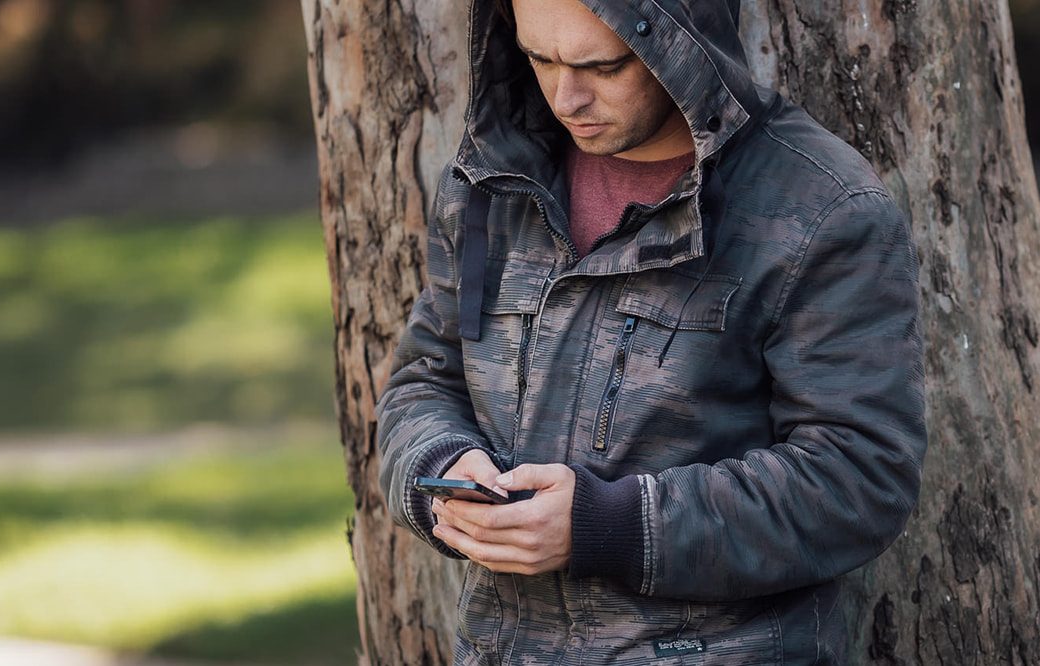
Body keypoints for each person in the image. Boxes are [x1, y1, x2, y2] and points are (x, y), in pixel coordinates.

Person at [375, 0, 926, 662]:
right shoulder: (491, 181)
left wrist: (604, 526)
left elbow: (859, 479)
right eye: (540, 59)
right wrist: (440, 473)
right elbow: (426, 378)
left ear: (680, 41)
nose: (565, 96)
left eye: (602, 66)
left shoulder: (820, 208)